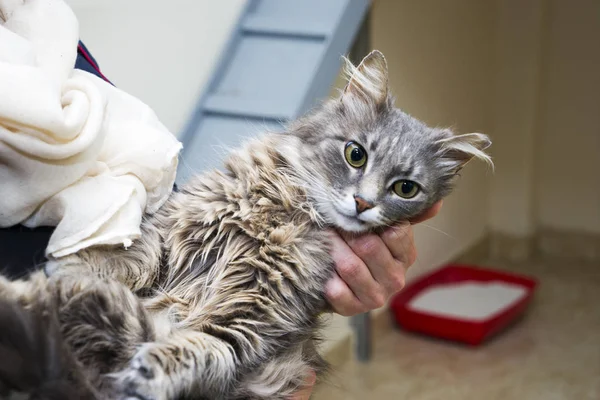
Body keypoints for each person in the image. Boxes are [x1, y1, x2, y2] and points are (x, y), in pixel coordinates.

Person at [0, 41, 442, 399]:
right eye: (356, 156)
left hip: (164, 355)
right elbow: (163, 242)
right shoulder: (258, 168)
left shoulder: (58, 41)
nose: (365, 199)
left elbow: (241, 336)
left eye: (403, 188)